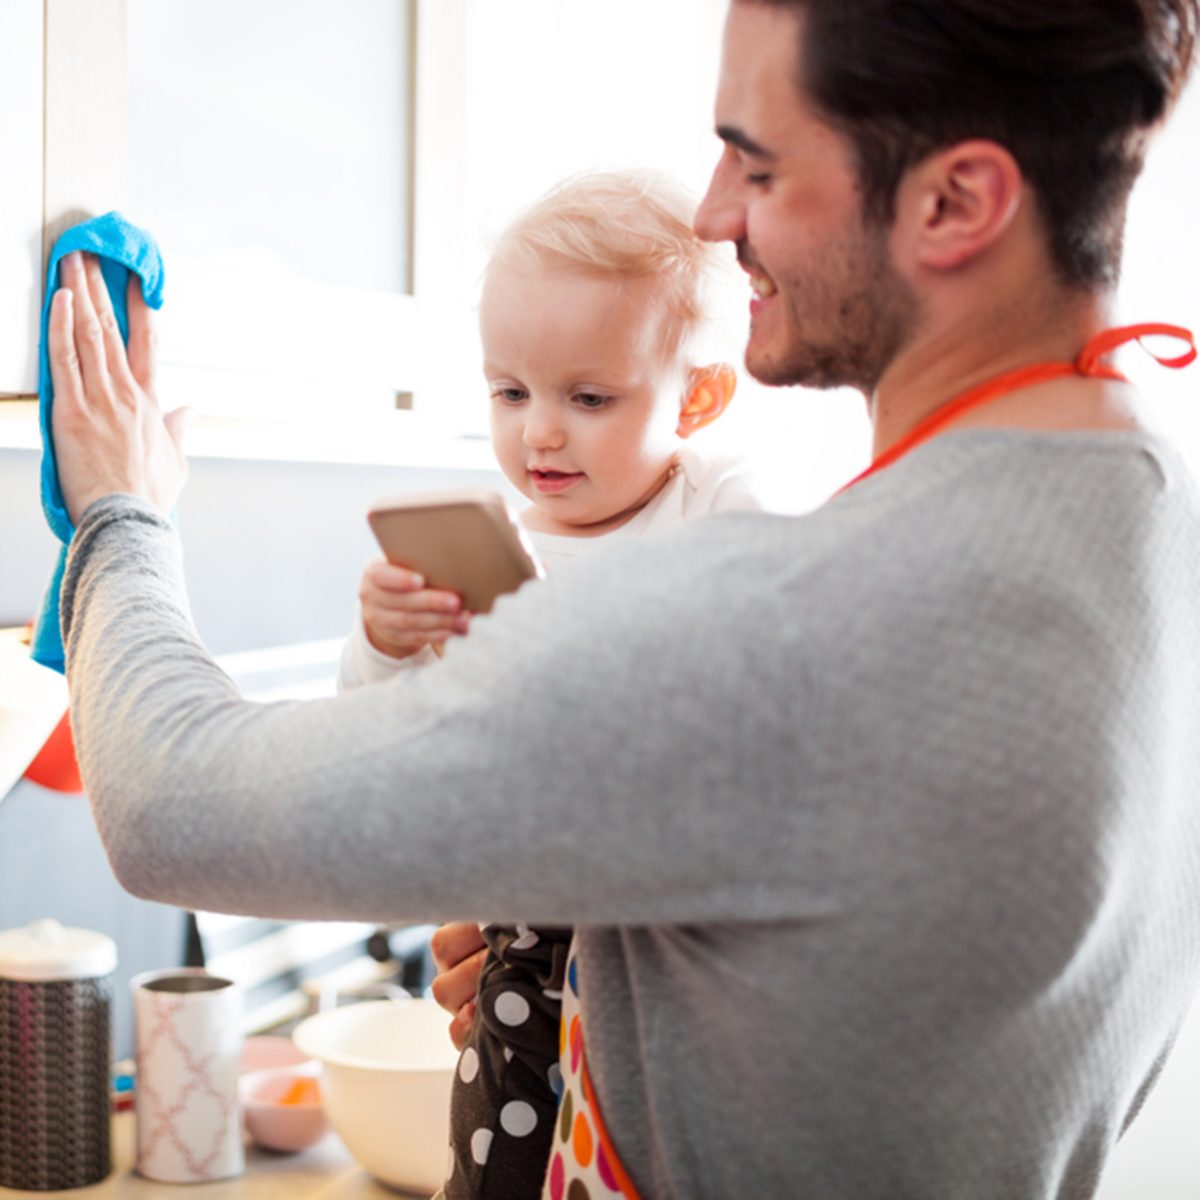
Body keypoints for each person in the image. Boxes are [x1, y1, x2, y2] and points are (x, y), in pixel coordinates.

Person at [47, 0, 1200, 1196]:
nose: (713, 214)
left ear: (954, 202)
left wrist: (122, 510)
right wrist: (621, 972)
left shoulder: (770, 624)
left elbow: (169, 804)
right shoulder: (1154, 516)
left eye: (755, 163)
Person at [337, 171, 761, 1200]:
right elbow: (363, 733)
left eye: (589, 397)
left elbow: (755, 679)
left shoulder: (720, 509)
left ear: (697, 396)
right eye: (509, 391)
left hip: (664, 967)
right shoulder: (487, 540)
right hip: (515, 950)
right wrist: (389, 642)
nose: (540, 432)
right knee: (500, 1162)